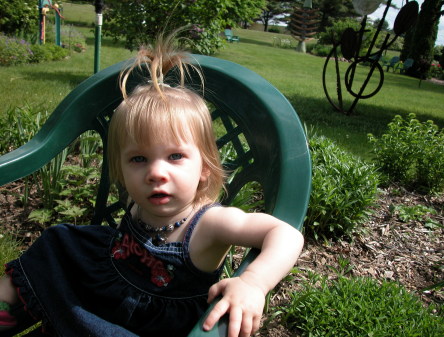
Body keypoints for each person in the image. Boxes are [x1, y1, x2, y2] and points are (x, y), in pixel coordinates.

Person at [0, 33, 304, 337]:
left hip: (148, 327)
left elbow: (286, 235)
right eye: (138, 159)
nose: (156, 172)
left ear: (205, 168)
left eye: (175, 156)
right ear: (120, 167)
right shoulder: (139, 201)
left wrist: (253, 282)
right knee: (58, 243)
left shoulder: (211, 222)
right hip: (105, 291)